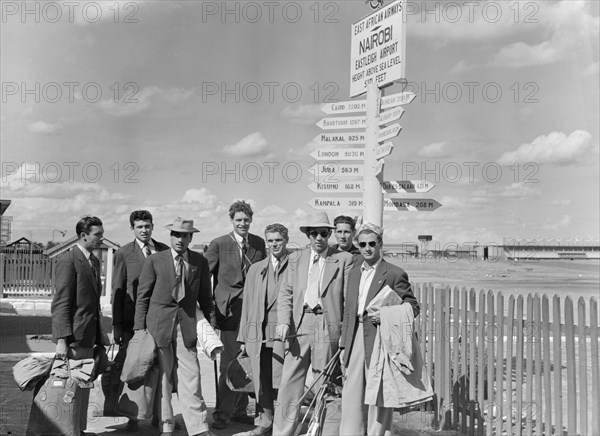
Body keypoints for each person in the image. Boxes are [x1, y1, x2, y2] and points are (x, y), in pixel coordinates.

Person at [273, 211, 354, 436]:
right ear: (308, 235)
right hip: (300, 323)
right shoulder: (295, 258)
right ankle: (283, 431)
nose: (318, 238)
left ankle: (321, 430)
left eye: (323, 233)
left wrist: (344, 335)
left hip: (327, 325)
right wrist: (283, 322)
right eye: (314, 233)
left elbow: (348, 301)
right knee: (290, 380)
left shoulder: (344, 260)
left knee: (324, 381)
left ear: (329, 234)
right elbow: (286, 294)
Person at [134, 217, 215, 436]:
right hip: (157, 327)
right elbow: (143, 296)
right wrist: (139, 330)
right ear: (170, 236)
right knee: (163, 378)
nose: (180, 239)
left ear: (191, 238)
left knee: (192, 376)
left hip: (186, 326)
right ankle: (166, 425)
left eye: (184, 235)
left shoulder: (200, 262)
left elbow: (206, 297)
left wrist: (209, 326)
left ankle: (199, 428)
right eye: (176, 235)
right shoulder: (155, 261)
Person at [339, 223, 420, 436]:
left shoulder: (394, 273)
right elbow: (348, 311)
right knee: (352, 393)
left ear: (380, 245)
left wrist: (385, 315)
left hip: (380, 339)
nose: (367, 248)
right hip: (355, 337)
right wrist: (343, 344)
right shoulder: (354, 272)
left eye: (372, 244)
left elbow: (413, 307)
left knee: (380, 393)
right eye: (363, 244)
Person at [206, 200, 267, 430]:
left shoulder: (259, 244)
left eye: (246, 219)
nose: (243, 223)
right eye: (238, 220)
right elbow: (205, 279)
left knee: (248, 362)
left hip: (253, 314)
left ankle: (240, 410)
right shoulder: (219, 244)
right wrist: (211, 315)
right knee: (230, 364)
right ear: (231, 221)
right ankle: (221, 413)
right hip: (228, 313)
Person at [111, 210, 169, 430]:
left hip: (161, 321)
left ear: (153, 226)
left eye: (147, 226)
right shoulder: (124, 254)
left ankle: (160, 417)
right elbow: (118, 291)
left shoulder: (164, 250)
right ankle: (132, 416)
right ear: (132, 229)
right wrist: (117, 326)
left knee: (162, 369)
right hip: (132, 323)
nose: (144, 230)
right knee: (136, 368)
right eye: (139, 227)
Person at [51, 215, 106, 436]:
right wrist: (62, 341)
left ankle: (78, 429)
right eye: (98, 234)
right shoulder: (69, 260)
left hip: (88, 336)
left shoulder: (93, 261)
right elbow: (61, 303)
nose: (102, 238)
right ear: (84, 236)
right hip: (73, 338)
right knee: (70, 388)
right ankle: (67, 429)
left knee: (84, 385)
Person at [236, 224, 291, 436]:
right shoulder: (255, 269)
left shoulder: (296, 265)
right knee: (262, 381)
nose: (274, 244)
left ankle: (284, 425)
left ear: (286, 240)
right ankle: (264, 422)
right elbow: (247, 305)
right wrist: (244, 337)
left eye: (278, 240)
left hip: (286, 334)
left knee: (286, 381)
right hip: (259, 335)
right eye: (270, 240)